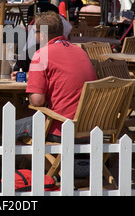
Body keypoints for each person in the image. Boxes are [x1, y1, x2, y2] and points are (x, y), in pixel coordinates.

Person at [15, 12, 97, 140]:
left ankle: (43, 161)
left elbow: (36, 101)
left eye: (34, 32)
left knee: (9, 129)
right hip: (90, 127)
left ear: (42, 35)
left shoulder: (41, 54)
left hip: (61, 126)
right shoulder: (80, 51)